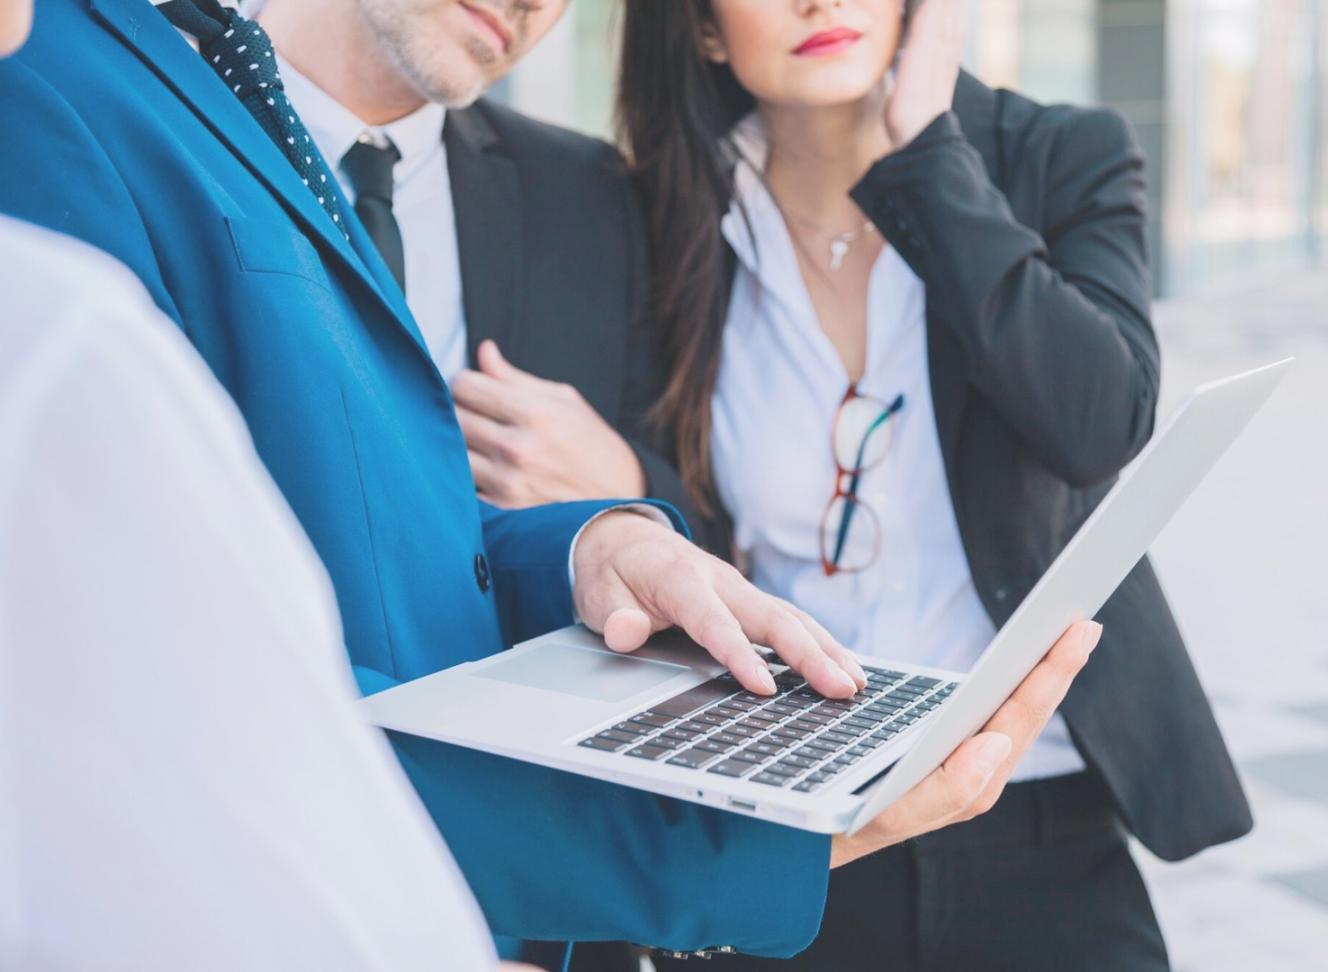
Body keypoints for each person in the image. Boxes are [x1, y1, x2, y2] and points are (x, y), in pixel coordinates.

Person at [0, 0, 1099, 964]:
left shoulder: (223, 78)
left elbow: (380, 528)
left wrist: (596, 537)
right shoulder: (62, 80)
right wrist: (756, 846)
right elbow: (184, 692)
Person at [617, 1, 1253, 969]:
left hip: (1033, 808)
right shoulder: (661, 212)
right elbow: (670, 499)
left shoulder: (1059, 154)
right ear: (703, 28)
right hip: (797, 821)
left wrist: (926, 154)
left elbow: (1098, 425)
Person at [0, 6, 524, 967]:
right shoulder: (40, 68)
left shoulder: (222, 56)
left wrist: (594, 539)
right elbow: (152, 657)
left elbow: (355, 492)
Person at [254, 0, 702, 531]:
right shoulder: (168, 120)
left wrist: (628, 492)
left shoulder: (593, 197)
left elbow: (710, 529)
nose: (537, 5)